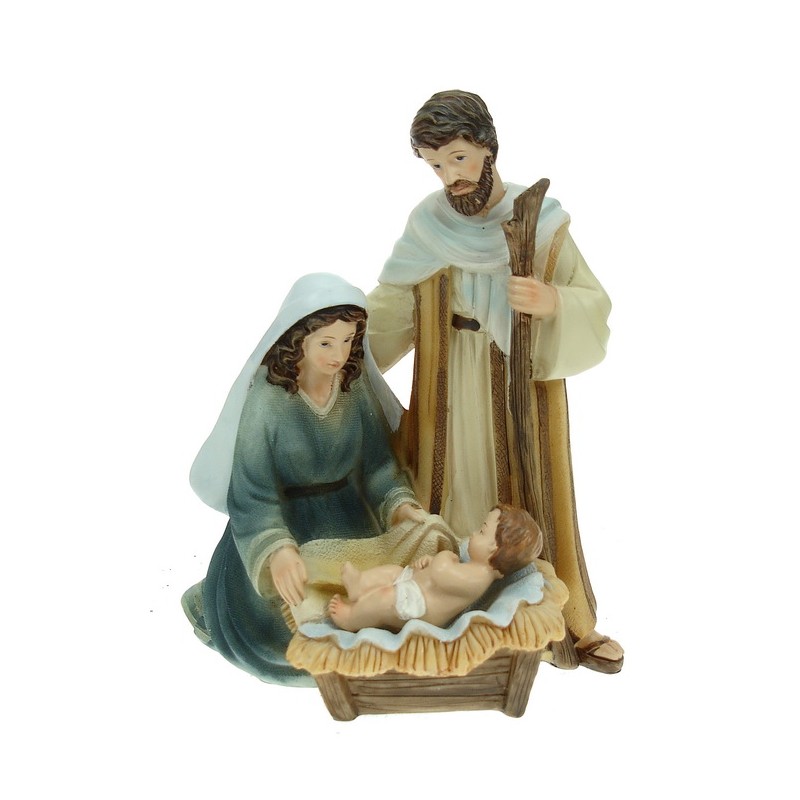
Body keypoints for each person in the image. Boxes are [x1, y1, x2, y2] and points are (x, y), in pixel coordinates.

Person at [366, 90, 623, 673]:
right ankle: (435, 609)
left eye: (458, 158)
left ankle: (564, 624)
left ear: (487, 147)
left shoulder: (541, 223)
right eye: (435, 165)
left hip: (518, 392)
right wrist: (338, 342)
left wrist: (552, 301)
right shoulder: (428, 226)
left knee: (532, 494)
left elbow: (594, 302)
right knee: (444, 488)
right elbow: (391, 306)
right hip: (447, 385)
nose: (449, 177)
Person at [183, 273, 423, 686]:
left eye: (348, 340)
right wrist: (277, 551)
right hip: (285, 522)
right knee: (288, 624)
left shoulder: (352, 385)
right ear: (299, 339)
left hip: (351, 521)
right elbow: (252, 495)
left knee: (386, 603)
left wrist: (399, 504)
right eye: (326, 343)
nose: (339, 354)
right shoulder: (267, 400)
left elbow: (376, 464)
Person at [328, 504, 542, 632]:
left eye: (482, 531)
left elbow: (441, 574)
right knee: (393, 572)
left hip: (420, 608)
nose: (474, 533)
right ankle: (360, 584)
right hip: (415, 587)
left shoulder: (479, 578)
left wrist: (444, 556)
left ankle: (351, 618)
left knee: (384, 598)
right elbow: (440, 575)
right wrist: (428, 561)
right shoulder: (474, 567)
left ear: (493, 548)